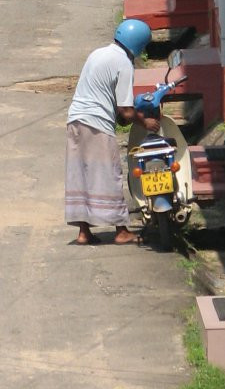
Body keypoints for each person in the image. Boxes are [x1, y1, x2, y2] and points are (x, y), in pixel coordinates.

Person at [65, 19, 160, 246]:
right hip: (96, 122)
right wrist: (145, 123)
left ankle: (84, 232)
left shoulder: (98, 53)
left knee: (81, 173)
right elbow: (126, 111)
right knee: (109, 172)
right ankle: (121, 231)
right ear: (138, 45)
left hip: (75, 119)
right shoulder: (124, 64)